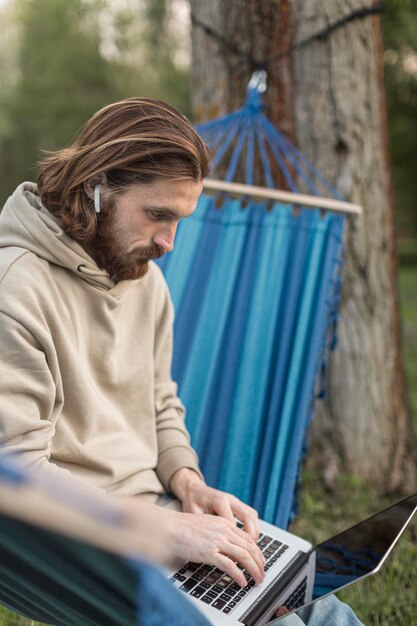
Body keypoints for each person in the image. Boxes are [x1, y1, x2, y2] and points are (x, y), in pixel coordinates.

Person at [0, 97, 363, 625]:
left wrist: (190, 485)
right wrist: (169, 531)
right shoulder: (16, 289)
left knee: (315, 601)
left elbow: (161, 404)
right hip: (80, 547)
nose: (169, 243)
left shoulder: (142, 278)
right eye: (157, 215)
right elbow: (16, 476)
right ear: (97, 187)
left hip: (157, 516)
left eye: (180, 220)